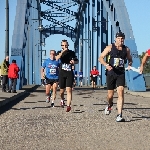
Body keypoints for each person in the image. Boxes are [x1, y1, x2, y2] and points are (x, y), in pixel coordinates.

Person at [98, 31, 132, 122]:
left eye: (122, 39)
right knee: (110, 95)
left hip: (120, 73)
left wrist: (129, 64)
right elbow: (100, 58)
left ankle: (119, 115)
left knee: (121, 92)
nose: (120, 40)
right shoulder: (110, 47)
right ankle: (109, 105)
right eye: (119, 38)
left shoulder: (126, 49)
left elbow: (130, 59)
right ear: (115, 39)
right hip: (111, 73)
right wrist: (106, 65)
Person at [55, 40, 79, 112]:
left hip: (69, 73)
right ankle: (62, 99)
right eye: (62, 45)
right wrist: (62, 52)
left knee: (69, 90)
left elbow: (77, 60)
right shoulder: (60, 52)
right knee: (61, 91)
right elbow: (56, 58)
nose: (64, 46)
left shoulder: (71, 52)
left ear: (68, 45)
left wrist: (74, 62)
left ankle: (68, 106)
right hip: (62, 73)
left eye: (65, 45)